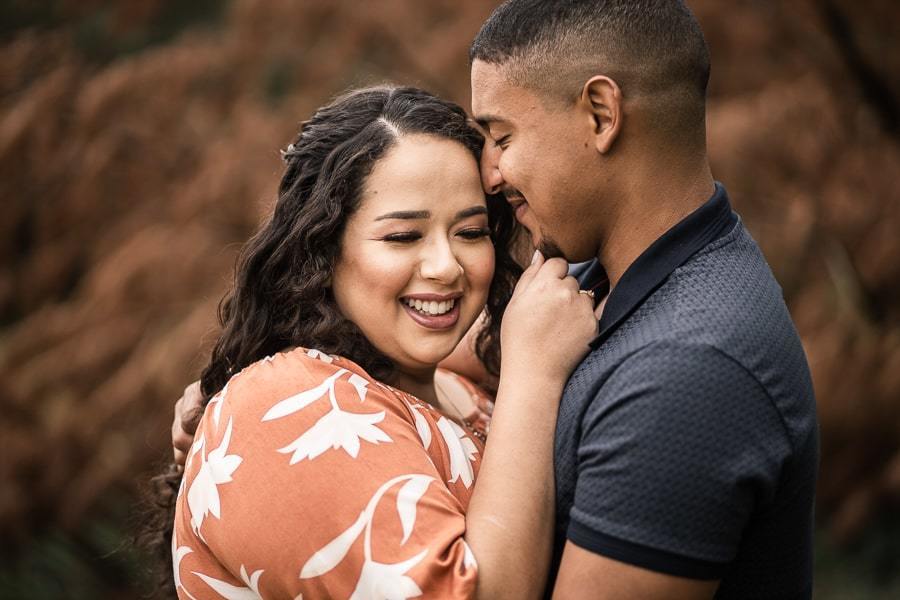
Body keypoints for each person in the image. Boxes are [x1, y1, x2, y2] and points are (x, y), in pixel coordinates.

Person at [174, 1, 819, 597]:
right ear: (322, 249)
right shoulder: (596, 293)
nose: (491, 173)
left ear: (601, 114)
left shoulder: (686, 364)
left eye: (502, 138)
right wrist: (249, 401)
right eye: (401, 234)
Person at [159, 85, 597, 599]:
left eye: (472, 232)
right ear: (322, 249)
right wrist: (534, 374)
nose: (445, 266)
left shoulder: (445, 384)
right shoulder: (283, 406)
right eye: (402, 237)